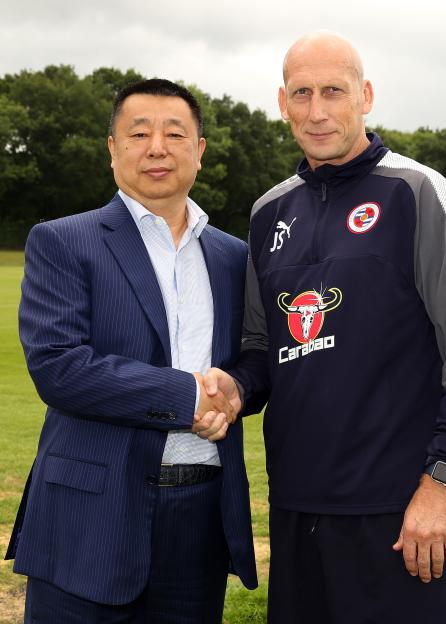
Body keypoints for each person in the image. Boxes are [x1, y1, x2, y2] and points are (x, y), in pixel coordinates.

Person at [202, 32, 446, 623]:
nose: (318, 111)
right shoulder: (269, 214)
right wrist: (236, 387)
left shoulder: (418, 192)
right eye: (302, 93)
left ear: (364, 95)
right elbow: (265, 348)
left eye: (334, 91)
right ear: (282, 103)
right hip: (298, 505)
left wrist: (444, 479)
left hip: (403, 508)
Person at [5, 78, 257, 623]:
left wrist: (236, 389)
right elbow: (59, 366)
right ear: (113, 149)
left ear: (200, 149)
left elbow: (255, 357)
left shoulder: (234, 256)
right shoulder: (63, 240)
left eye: (174, 133)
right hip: (89, 518)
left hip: (200, 518)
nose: (157, 147)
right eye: (138, 133)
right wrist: (188, 396)